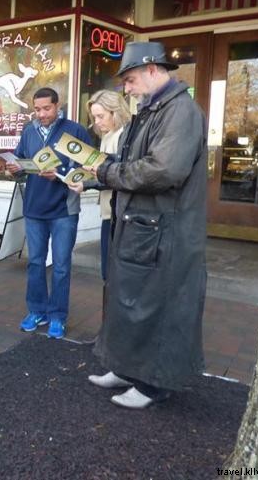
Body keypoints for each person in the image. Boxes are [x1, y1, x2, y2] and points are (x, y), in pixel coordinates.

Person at [86, 41, 207, 409]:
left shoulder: (180, 111)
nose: (127, 88)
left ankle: (153, 384)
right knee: (129, 300)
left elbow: (165, 169)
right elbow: (131, 162)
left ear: (154, 70)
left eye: (132, 79)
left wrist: (109, 172)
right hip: (143, 225)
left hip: (166, 231)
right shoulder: (153, 109)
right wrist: (101, 174)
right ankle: (124, 368)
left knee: (157, 304)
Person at [5, 87, 92, 340]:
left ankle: (57, 316)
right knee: (35, 263)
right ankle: (36, 311)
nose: (41, 114)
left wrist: (60, 174)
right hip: (34, 208)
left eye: (46, 108)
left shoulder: (75, 130)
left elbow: (89, 169)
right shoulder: (29, 130)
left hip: (64, 209)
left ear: (58, 105)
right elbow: (21, 163)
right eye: (37, 109)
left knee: (62, 266)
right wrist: (15, 169)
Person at [68, 90, 131, 281]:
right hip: (108, 210)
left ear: (116, 112)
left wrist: (86, 184)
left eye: (100, 116)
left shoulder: (123, 136)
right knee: (108, 273)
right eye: (94, 117)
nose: (96, 122)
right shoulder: (109, 135)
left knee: (111, 274)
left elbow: (118, 175)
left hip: (118, 214)